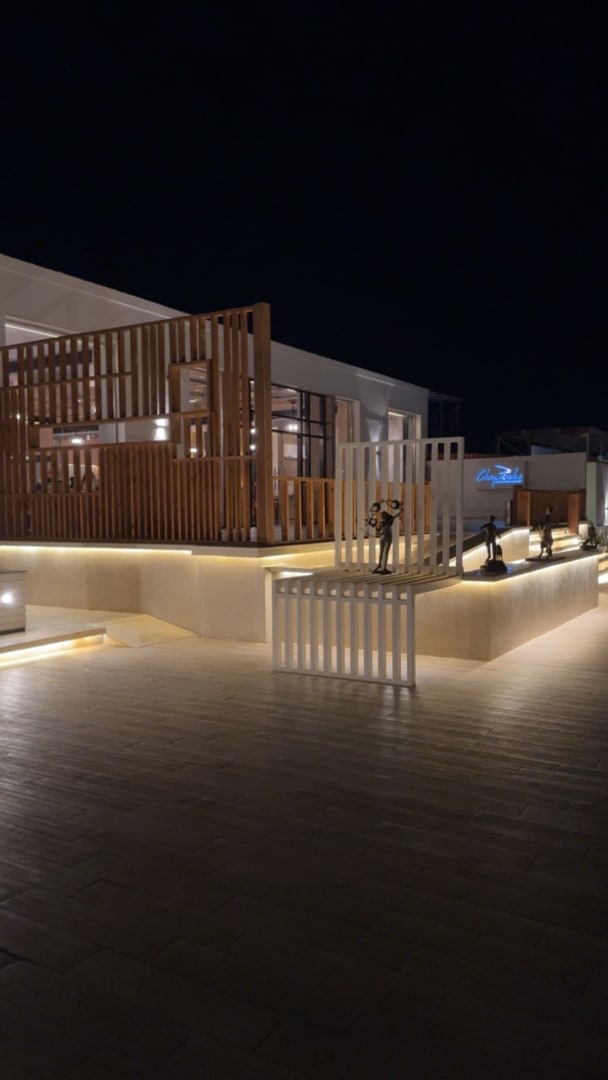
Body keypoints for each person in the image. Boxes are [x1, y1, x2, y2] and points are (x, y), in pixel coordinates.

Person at [372, 507, 401, 574]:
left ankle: (383, 567)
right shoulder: (382, 522)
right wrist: (376, 527)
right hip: (383, 538)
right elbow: (379, 530)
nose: (382, 516)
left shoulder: (389, 521)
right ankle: (380, 565)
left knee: (385, 553)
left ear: (386, 515)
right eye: (382, 515)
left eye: (383, 515)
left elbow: (395, 516)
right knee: (382, 553)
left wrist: (400, 511)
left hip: (387, 538)